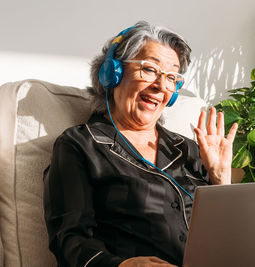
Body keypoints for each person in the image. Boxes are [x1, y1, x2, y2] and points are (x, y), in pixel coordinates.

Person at [43, 21, 238, 267]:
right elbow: (69, 239)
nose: (161, 86)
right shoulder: (80, 145)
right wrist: (125, 266)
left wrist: (220, 178)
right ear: (112, 73)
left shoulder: (191, 149)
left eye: (171, 77)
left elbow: (228, 240)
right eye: (149, 69)